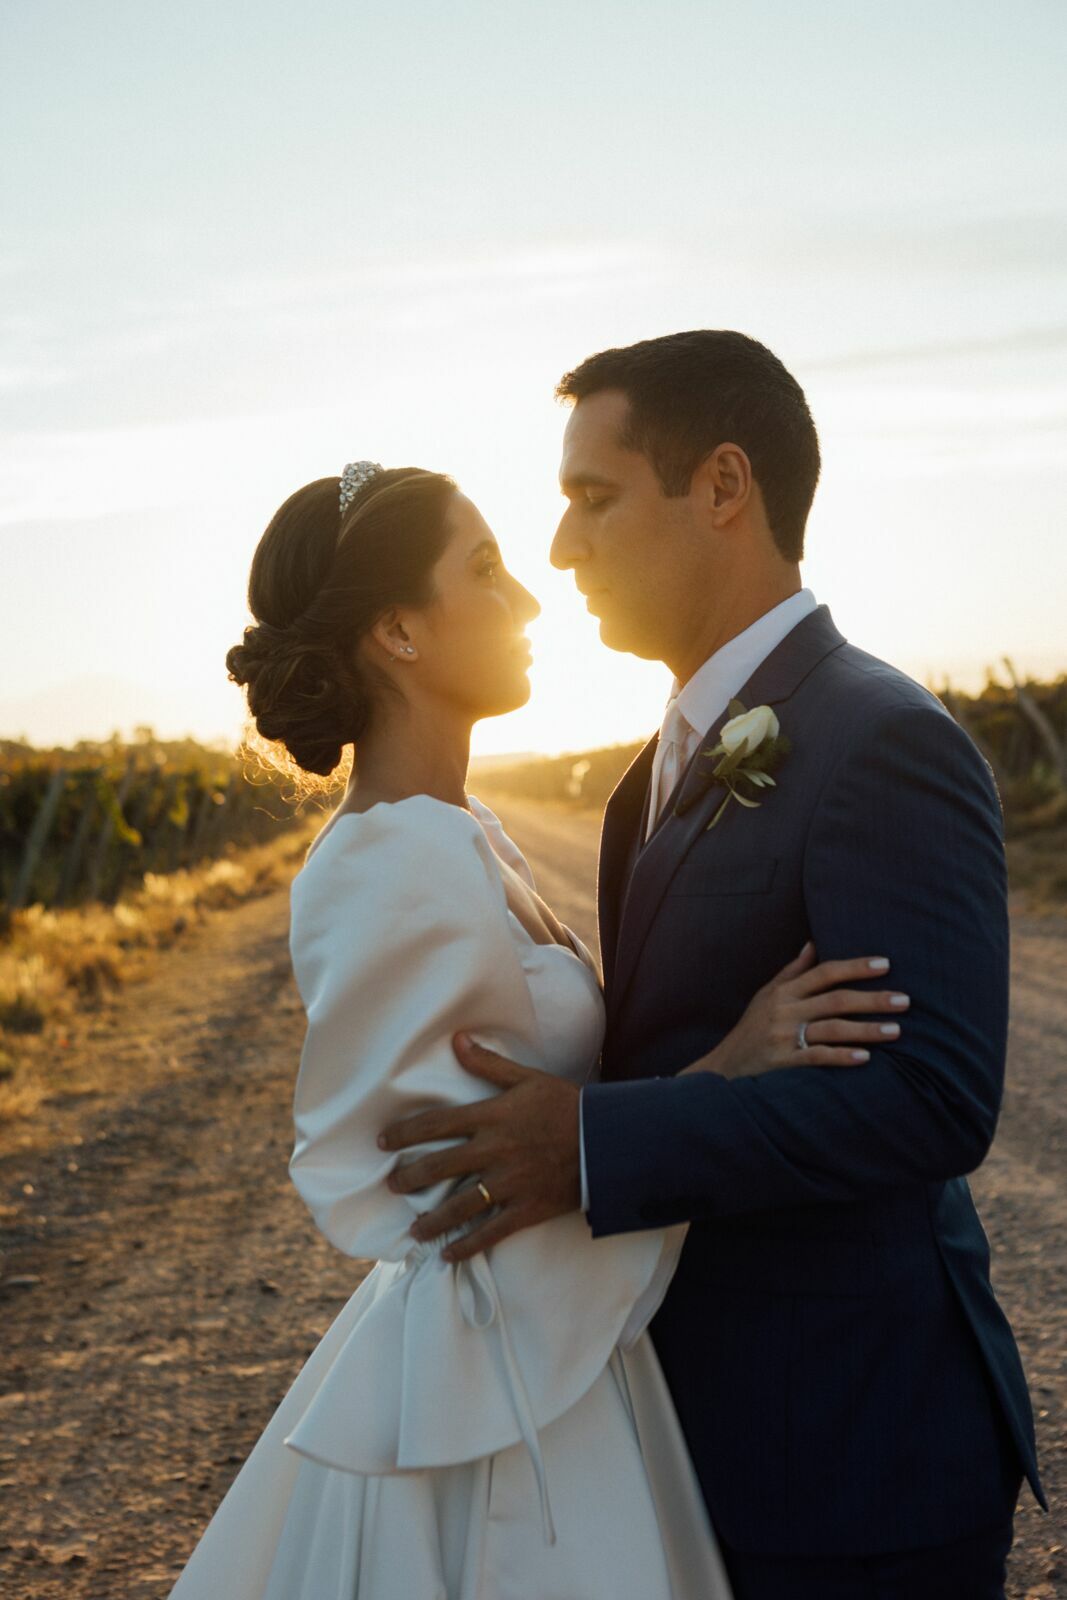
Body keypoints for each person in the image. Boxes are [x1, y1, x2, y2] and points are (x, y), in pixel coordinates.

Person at [382, 332, 1046, 1600]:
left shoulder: (880, 740)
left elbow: (929, 1099)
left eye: (593, 497)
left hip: (851, 1471)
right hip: (683, 1447)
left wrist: (588, 1146)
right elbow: (669, 1044)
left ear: (723, 485)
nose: (561, 547)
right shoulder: (649, 773)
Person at [169, 458, 901, 1599]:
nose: (525, 598)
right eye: (484, 569)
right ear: (399, 631)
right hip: (500, 1385)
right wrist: (731, 1061)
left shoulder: (456, 829)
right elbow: (461, 1200)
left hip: (553, 1350)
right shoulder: (392, 861)